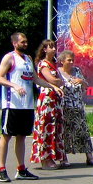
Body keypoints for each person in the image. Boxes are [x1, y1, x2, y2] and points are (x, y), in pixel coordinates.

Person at [0, 31, 40, 182]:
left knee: (21, 137)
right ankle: (2, 169)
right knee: (6, 136)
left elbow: (35, 78)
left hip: (26, 105)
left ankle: (21, 169)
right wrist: (13, 85)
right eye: (22, 42)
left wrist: (52, 86)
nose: (25, 44)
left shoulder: (28, 58)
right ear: (15, 43)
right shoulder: (9, 57)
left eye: (26, 42)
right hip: (12, 104)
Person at [30, 39, 66, 170]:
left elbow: (61, 81)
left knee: (55, 129)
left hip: (55, 100)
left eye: (54, 47)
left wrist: (58, 82)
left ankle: (55, 156)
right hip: (47, 99)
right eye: (50, 47)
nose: (54, 49)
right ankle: (45, 159)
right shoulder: (43, 64)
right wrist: (57, 82)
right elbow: (51, 80)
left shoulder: (54, 64)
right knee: (46, 128)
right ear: (44, 49)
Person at [58, 50, 93, 166]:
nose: (71, 62)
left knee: (83, 131)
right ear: (62, 61)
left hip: (78, 106)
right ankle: (63, 158)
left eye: (72, 60)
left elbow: (86, 85)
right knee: (65, 133)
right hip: (64, 107)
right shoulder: (58, 72)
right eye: (69, 60)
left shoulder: (77, 71)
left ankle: (89, 157)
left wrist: (81, 81)